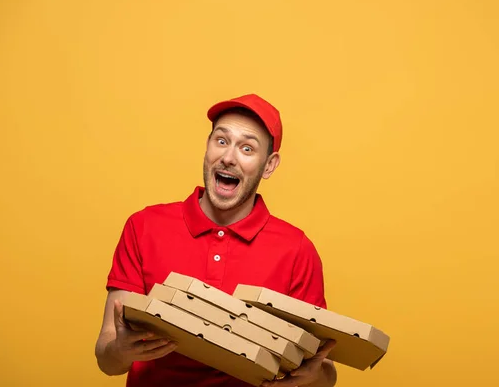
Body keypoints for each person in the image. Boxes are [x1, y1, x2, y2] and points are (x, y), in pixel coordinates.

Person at [94, 93, 338, 387]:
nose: (228, 157)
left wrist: (312, 376)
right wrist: (119, 350)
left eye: (247, 148)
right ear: (208, 147)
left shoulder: (297, 249)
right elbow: (107, 359)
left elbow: (325, 376)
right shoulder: (143, 226)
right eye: (221, 141)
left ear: (269, 165)